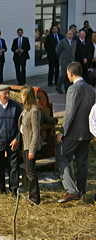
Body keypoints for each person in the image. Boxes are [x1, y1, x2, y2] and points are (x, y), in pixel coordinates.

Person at [56, 62, 95, 203]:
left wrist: (62, 132)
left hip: (73, 133)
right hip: (87, 132)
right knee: (82, 162)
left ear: (70, 73)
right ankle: (81, 191)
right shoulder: (91, 89)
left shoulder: (73, 89)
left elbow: (70, 113)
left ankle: (71, 191)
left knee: (62, 157)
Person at [18, 86, 42, 205]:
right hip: (25, 144)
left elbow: (36, 131)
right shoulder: (25, 109)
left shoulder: (34, 111)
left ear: (27, 96)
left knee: (30, 172)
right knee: (28, 171)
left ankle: (34, 198)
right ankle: (31, 195)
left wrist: (32, 150)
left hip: (30, 145)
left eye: (22, 95)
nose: (21, 97)